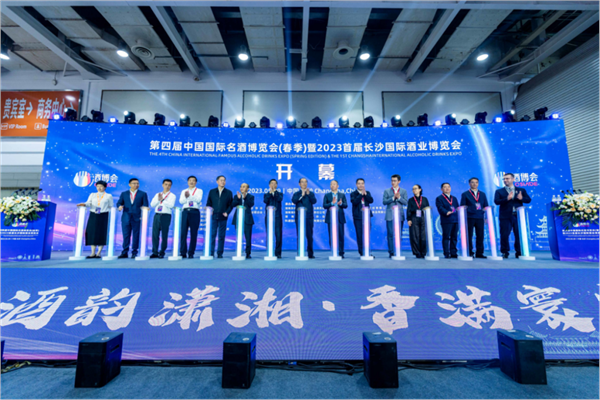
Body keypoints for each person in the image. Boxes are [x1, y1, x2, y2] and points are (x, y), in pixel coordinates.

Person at [494, 173, 532, 258]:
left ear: (513, 179)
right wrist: (507, 199)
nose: (505, 180)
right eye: (504, 179)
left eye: (507, 178)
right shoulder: (499, 191)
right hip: (505, 216)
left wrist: (521, 198)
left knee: (518, 234)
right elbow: (496, 201)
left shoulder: (521, 190)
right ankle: (504, 252)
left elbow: (528, 200)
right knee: (504, 234)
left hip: (518, 216)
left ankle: (519, 252)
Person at [77, 180, 113, 258]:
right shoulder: (92, 194)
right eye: (98, 186)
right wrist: (84, 204)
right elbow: (88, 203)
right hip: (93, 215)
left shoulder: (108, 196)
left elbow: (111, 206)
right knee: (92, 233)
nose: (99, 188)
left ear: (105, 187)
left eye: (101, 186)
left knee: (101, 233)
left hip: (104, 215)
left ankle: (99, 253)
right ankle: (92, 253)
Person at [116, 178, 149, 259]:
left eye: (137, 183)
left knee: (136, 235)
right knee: (126, 235)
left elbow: (145, 205)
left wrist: (143, 215)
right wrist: (119, 206)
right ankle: (125, 252)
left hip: (137, 217)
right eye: (134, 183)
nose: (136, 185)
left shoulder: (143, 194)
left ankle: (134, 252)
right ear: (129, 184)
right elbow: (119, 203)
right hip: (126, 217)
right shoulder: (124, 194)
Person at [460, 177, 490, 258]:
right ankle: (469, 252)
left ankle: (479, 253)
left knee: (480, 235)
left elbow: (486, 206)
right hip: (469, 217)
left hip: (480, 217)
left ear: (478, 183)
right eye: (472, 182)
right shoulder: (465, 194)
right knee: (469, 235)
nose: (474, 184)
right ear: (469, 184)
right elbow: (462, 206)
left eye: (476, 182)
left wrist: (486, 217)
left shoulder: (482, 194)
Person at [206, 175, 233, 259]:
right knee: (212, 235)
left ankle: (220, 253)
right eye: (221, 180)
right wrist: (209, 209)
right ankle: (211, 252)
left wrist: (227, 212)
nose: (223, 182)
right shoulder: (212, 191)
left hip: (223, 216)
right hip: (213, 216)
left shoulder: (229, 192)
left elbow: (231, 205)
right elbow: (208, 203)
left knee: (221, 236)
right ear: (217, 181)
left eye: (224, 180)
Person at [383, 174, 408, 258]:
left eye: (395, 181)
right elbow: (384, 202)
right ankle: (391, 252)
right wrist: (393, 198)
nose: (393, 182)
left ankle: (398, 250)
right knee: (390, 234)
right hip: (390, 215)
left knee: (399, 234)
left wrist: (399, 197)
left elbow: (406, 202)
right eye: (392, 180)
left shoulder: (403, 191)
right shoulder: (387, 191)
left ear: (399, 181)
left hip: (399, 216)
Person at [291, 178, 317, 259]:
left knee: (309, 236)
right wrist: (301, 195)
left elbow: (314, 201)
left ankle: (310, 254)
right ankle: (300, 252)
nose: (304, 183)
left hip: (309, 217)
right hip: (299, 218)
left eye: (305, 182)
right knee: (300, 235)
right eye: (302, 182)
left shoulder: (311, 193)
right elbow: (294, 201)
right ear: (299, 184)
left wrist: (308, 195)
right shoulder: (296, 193)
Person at [150, 179, 175, 259]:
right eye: (166, 184)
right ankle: (155, 252)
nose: (167, 186)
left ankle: (162, 252)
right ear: (163, 185)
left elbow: (171, 205)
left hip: (166, 216)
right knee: (155, 235)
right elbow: (152, 205)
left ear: (171, 186)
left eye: (169, 185)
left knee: (164, 235)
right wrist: (158, 199)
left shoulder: (172, 196)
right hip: (157, 215)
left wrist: (163, 200)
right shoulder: (157, 194)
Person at [179, 175, 203, 258]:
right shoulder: (184, 191)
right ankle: (183, 252)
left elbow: (198, 200)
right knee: (183, 233)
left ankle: (191, 252)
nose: (191, 182)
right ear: (187, 182)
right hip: (185, 212)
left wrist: (190, 196)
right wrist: (187, 198)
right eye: (190, 180)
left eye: (193, 180)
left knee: (194, 233)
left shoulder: (199, 190)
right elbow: (181, 201)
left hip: (194, 212)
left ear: (196, 182)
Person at [323, 180, 348, 258]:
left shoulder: (342, 195)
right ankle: (334, 251)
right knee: (332, 235)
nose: (332, 186)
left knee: (341, 236)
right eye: (331, 184)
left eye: (334, 184)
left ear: (337, 186)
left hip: (340, 217)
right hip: (330, 218)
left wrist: (341, 203)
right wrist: (331, 203)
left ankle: (341, 252)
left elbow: (346, 205)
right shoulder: (327, 195)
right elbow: (324, 205)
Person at [350, 178, 374, 257]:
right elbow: (354, 202)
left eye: (362, 183)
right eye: (359, 183)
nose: (361, 185)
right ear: (356, 184)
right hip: (358, 217)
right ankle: (362, 252)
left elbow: (371, 200)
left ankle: (368, 251)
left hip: (367, 216)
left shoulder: (367, 192)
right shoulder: (353, 193)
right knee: (359, 235)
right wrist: (361, 194)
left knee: (367, 234)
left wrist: (365, 194)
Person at [231, 183, 255, 258]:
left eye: (244, 187)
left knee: (248, 237)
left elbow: (251, 204)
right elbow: (233, 204)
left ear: (247, 189)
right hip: (238, 219)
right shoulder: (236, 196)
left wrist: (245, 197)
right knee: (239, 237)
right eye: (241, 187)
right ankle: (239, 252)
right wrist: (238, 199)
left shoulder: (251, 196)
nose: (242, 188)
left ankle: (248, 253)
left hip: (247, 220)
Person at [435, 182, 458, 259]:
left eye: (448, 187)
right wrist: (446, 212)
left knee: (454, 237)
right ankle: (446, 253)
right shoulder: (439, 198)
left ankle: (453, 252)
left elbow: (457, 208)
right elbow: (440, 207)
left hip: (455, 220)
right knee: (446, 237)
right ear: (441, 189)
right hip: (446, 220)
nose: (447, 188)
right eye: (445, 187)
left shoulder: (454, 198)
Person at [407, 184, 429, 259]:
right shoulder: (411, 200)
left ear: (420, 189)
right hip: (414, 217)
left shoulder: (425, 199)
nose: (414, 190)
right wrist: (409, 219)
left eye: (415, 188)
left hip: (423, 218)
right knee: (414, 235)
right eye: (413, 189)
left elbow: (427, 209)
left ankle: (423, 252)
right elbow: (408, 210)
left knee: (423, 236)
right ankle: (417, 252)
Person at [263, 179, 284, 258]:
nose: (273, 185)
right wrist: (270, 193)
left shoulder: (280, 194)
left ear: (277, 185)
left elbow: (279, 199)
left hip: (277, 217)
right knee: (269, 235)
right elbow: (265, 201)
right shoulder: (266, 194)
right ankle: (270, 251)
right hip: (269, 217)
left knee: (278, 236)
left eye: (275, 183)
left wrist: (275, 193)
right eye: (272, 183)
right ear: (269, 185)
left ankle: (278, 253)